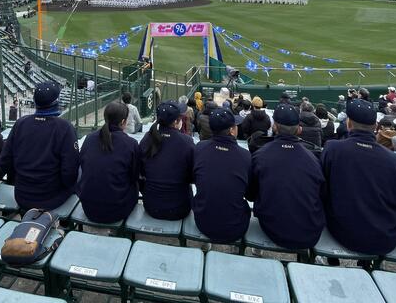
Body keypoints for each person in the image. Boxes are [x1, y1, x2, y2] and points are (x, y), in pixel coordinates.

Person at [321, 98, 396, 256]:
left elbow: (322, 189)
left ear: (348, 123)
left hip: (342, 231)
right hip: (384, 237)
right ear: (375, 127)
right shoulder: (395, 160)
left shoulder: (333, 149)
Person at [247, 103, 325, 250]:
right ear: (299, 129)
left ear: (274, 127)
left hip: (272, 229)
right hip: (309, 233)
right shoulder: (314, 158)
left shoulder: (260, 155)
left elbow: (251, 195)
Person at [0, 82, 80, 211]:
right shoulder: (65, 127)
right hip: (51, 198)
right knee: (79, 172)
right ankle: (65, 223)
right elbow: (69, 172)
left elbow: (4, 161)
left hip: (22, 196)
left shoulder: (21, 123)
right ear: (56, 102)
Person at [192, 107, 251, 243]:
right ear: (231, 130)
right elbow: (250, 193)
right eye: (235, 126)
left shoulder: (200, 148)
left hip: (203, 222)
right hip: (234, 227)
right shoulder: (245, 155)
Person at [77, 101, 140, 223]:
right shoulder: (130, 144)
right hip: (117, 210)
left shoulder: (89, 138)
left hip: (89, 209)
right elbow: (134, 176)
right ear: (123, 122)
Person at [139, 101, 195, 220]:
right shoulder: (187, 142)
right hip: (179, 208)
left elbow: (141, 172)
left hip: (151, 206)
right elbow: (192, 177)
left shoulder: (146, 138)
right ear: (176, 122)